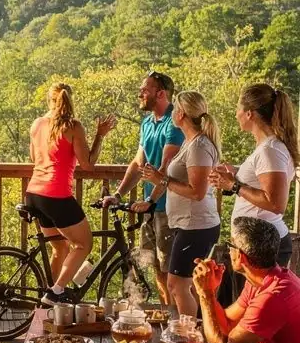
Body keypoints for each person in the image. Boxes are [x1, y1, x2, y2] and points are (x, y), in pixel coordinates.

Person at [26, 83, 116, 303]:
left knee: (60, 247)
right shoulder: (73, 126)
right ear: (69, 100)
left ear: (49, 100)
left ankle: (50, 295)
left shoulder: (37, 124)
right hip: (56, 195)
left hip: (34, 193)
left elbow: (33, 158)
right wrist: (100, 136)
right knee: (84, 244)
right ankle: (57, 291)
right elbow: (87, 164)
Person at [105, 71, 185, 304]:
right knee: (157, 269)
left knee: (172, 271)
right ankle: (166, 316)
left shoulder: (174, 122)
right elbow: (138, 163)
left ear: (161, 94)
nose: (140, 93)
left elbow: (165, 168)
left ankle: (179, 325)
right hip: (149, 206)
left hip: (168, 207)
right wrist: (118, 194)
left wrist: (151, 200)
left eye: (145, 89)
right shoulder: (147, 122)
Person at [141, 90, 221, 318]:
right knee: (192, 285)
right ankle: (201, 335)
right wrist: (157, 183)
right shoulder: (190, 143)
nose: (173, 112)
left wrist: (162, 180)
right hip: (187, 224)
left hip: (196, 226)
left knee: (176, 284)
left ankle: (188, 336)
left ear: (182, 113)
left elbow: (197, 192)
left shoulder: (198, 147)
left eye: (176, 108)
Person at [210, 83, 298, 272]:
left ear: (249, 113)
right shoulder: (267, 148)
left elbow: (275, 203)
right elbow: (262, 178)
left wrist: (234, 185)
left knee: (258, 302)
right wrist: (237, 172)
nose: (236, 115)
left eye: (238, 109)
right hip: (255, 244)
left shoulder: (270, 150)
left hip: (265, 247)